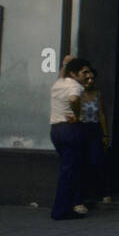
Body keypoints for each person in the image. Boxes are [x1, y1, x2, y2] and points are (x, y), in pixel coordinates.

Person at [50, 58, 91, 220]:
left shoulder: (58, 83)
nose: (87, 76)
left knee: (67, 169)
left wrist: (65, 65)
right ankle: (61, 210)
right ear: (74, 74)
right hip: (70, 129)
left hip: (55, 129)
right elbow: (73, 99)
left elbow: (62, 76)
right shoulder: (76, 86)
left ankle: (65, 207)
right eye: (84, 72)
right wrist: (77, 114)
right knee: (70, 171)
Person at [78, 66, 111, 205]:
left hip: (94, 130)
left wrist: (105, 134)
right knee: (81, 162)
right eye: (87, 79)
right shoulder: (77, 94)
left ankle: (101, 192)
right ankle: (83, 194)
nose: (90, 81)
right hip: (80, 130)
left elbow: (101, 115)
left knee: (97, 162)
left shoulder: (97, 94)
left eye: (92, 79)